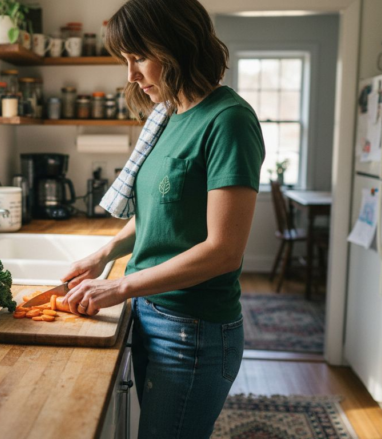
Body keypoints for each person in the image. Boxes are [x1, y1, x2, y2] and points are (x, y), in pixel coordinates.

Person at [60, 0, 265, 437]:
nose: (130, 75)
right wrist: (105, 253)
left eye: (139, 58)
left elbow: (224, 251)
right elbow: (160, 214)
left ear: (177, 47)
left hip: (192, 330)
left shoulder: (228, 120)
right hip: (152, 310)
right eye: (125, 60)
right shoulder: (170, 115)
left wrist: (120, 285)